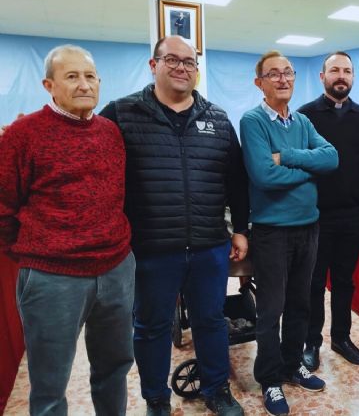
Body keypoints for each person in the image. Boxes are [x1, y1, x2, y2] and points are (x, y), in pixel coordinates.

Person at [100, 35, 249, 416]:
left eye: (190, 62)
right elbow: (98, 174)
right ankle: (156, 398)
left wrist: (241, 229)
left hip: (208, 247)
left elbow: (236, 181)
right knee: (150, 327)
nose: (182, 68)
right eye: (173, 60)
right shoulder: (120, 114)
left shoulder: (217, 119)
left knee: (211, 320)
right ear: (154, 65)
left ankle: (216, 389)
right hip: (150, 249)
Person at [0, 44, 135, 415]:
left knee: (115, 368)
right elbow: (3, 208)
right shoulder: (22, 135)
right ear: (49, 85)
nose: (83, 84)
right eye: (71, 76)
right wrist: (35, 249)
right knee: (49, 383)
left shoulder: (110, 132)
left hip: (115, 268)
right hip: (51, 277)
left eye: (90, 76)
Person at [240, 50, 338, 416]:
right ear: (259, 82)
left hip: (307, 228)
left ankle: (292, 362)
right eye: (274, 74)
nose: (283, 79)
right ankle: (269, 378)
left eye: (288, 73)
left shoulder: (301, 121)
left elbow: (331, 158)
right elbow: (265, 176)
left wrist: (290, 157)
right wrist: (310, 170)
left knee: (301, 303)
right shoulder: (252, 121)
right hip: (272, 233)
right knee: (271, 309)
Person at [297, 51, 359, 371]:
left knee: (345, 281)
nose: (341, 75)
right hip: (315, 216)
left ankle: (341, 338)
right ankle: (311, 342)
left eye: (347, 70)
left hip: (352, 216)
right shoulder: (305, 116)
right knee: (314, 283)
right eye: (334, 70)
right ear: (322, 77)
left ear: (353, 77)